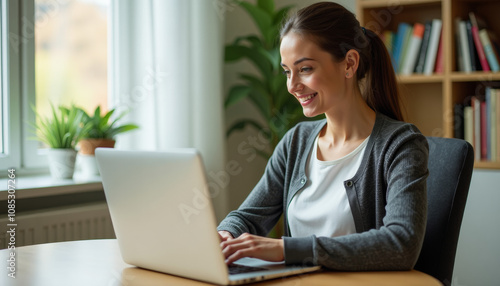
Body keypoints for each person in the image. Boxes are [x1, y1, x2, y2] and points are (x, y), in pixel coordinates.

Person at [217, 1, 429, 271]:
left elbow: (401, 244)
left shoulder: (400, 144)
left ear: (349, 63)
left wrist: (286, 249)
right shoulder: (296, 142)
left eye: (305, 69)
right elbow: (248, 217)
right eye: (286, 71)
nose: (292, 86)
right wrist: (225, 235)